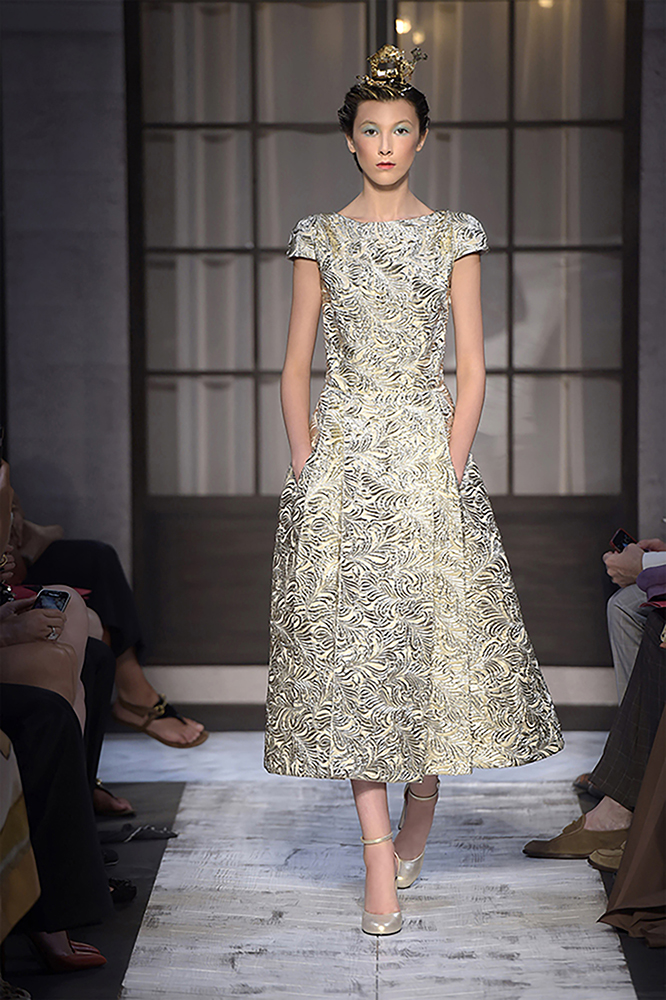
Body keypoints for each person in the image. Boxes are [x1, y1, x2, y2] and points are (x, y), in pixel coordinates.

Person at [263, 45, 563, 936]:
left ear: (422, 140)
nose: (386, 144)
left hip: (428, 460)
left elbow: (472, 368)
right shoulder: (319, 236)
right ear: (350, 141)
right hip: (343, 466)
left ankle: (421, 805)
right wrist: (306, 463)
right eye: (372, 130)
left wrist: (453, 466)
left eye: (401, 130)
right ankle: (376, 861)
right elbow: (293, 367)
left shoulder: (453, 233)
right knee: (350, 656)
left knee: (427, 645)